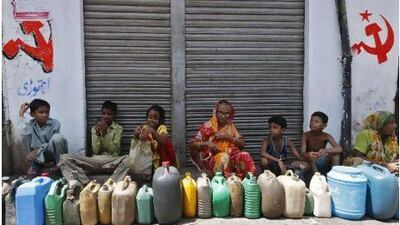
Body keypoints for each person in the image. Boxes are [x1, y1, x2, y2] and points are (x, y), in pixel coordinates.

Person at [59, 101, 129, 185]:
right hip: (94, 161)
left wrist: (105, 135)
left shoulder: (118, 128)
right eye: (103, 113)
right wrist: (98, 134)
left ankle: (110, 184)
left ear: (114, 115)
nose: (105, 116)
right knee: (64, 158)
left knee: (129, 160)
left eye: (109, 114)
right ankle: (87, 184)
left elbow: (114, 151)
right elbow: (96, 151)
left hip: (111, 161)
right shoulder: (95, 128)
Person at [189, 100, 256, 179]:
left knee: (245, 155)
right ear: (215, 112)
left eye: (227, 113)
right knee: (224, 157)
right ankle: (221, 183)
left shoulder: (230, 127)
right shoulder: (207, 126)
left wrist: (226, 136)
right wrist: (207, 143)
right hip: (211, 160)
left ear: (230, 115)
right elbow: (192, 144)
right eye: (220, 112)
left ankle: (249, 183)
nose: (223, 116)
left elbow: (241, 144)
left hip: (231, 157)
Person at [18, 99, 68, 176]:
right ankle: (36, 165)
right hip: (38, 155)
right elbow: (22, 131)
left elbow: (53, 144)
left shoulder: (55, 123)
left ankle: (60, 165)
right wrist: (21, 114)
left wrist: (38, 150)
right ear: (32, 114)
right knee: (25, 136)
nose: (45, 115)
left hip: (53, 154)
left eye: (47, 112)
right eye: (41, 112)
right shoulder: (31, 124)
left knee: (58, 138)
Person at [133, 104, 177, 170]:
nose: (152, 120)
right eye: (150, 118)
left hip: (162, 157)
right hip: (148, 157)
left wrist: (153, 131)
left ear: (161, 120)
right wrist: (137, 133)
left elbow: (163, 141)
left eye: (155, 118)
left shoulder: (162, 128)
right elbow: (138, 137)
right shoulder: (145, 127)